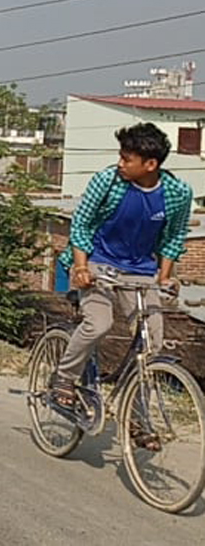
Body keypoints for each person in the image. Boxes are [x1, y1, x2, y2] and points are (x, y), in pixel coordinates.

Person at [53, 123, 192, 440]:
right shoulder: (107, 181)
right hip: (97, 264)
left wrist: (166, 276)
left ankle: (135, 411)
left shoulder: (177, 194)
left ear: (150, 164)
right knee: (98, 324)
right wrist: (81, 267)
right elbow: (83, 225)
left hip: (140, 272)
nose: (120, 163)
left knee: (151, 343)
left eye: (127, 158)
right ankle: (65, 377)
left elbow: (174, 237)